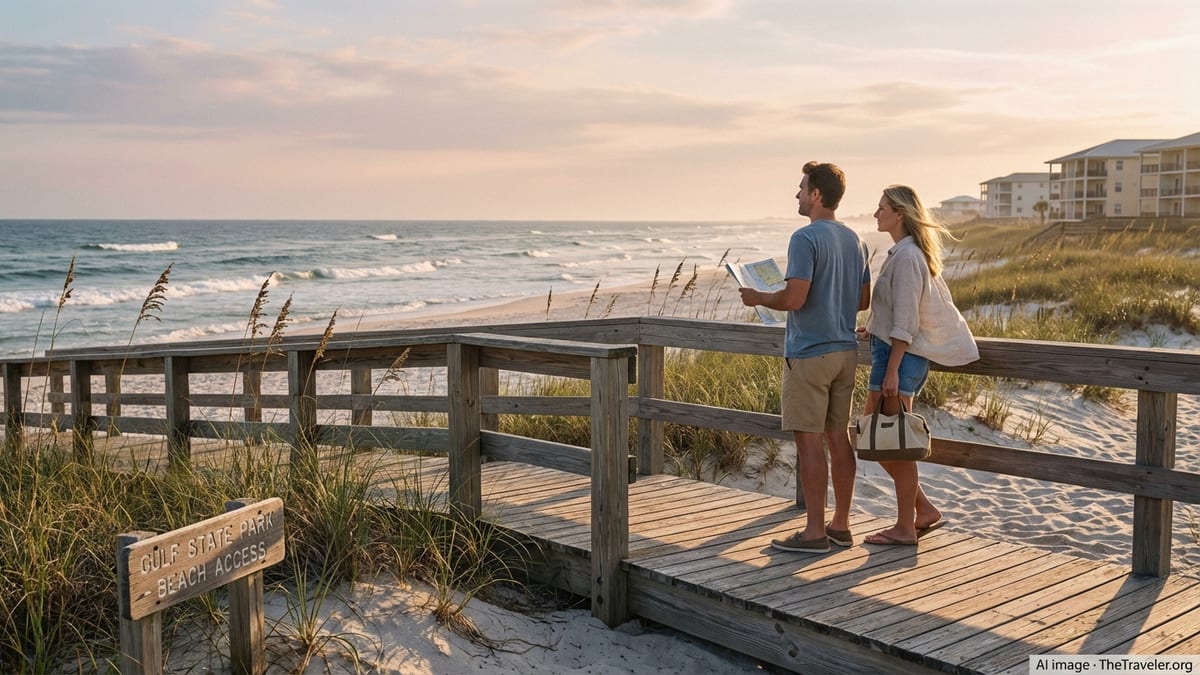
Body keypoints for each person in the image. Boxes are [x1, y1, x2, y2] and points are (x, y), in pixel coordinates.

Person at [739, 161, 871, 553]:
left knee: (810, 442)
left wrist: (759, 296)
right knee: (838, 437)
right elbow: (862, 300)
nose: (796, 195)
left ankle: (814, 533)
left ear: (816, 194)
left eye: (801, 189)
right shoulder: (856, 240)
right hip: (844, 350)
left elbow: (794, 298)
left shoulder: (804, 238)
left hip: (810, 353)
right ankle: (841, 526)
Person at [858, 184, 979, 546]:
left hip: (901, 358)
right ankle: (923, 511)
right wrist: (874, 327)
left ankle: (906, 527)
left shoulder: (909, 257)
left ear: (899, 214)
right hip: (889, 352)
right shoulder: (903, 253)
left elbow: (908, 322)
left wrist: (893, 369)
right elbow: (897, 312)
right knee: (875, 437)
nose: (876, 213)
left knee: (893, 442)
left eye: (881, 208)